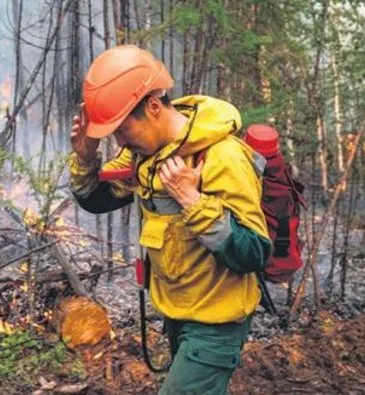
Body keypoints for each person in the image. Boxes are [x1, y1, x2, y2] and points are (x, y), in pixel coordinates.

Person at [68, 44, 271, 394]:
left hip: (217, 324)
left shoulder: (222, 156)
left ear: (153, 107)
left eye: (123, 129)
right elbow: (96, 201)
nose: (119, 141)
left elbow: (254, 253)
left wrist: (193, 201)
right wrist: (86, 159)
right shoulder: (143, 154)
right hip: (179, 315)